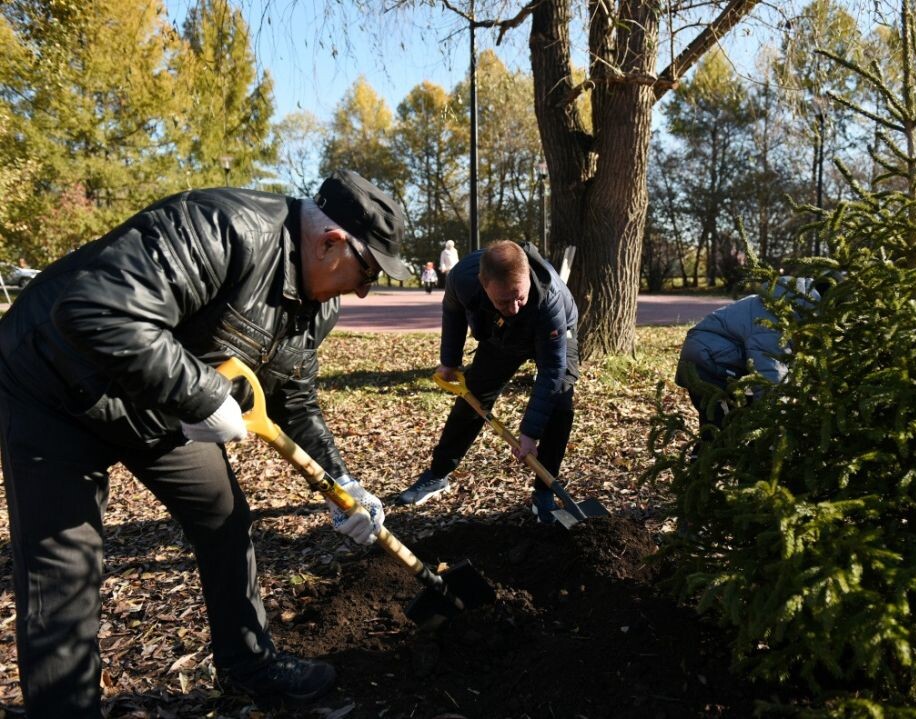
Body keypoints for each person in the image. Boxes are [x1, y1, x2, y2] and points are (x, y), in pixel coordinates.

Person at [0, 169, 412, 718]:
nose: (364, 290)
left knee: (224, 519)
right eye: (368, 272)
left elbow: (294, 398)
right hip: (51, 384)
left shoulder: (320, 304)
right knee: (62, 566)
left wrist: (343, 483)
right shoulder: (223, 226)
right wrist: (204, 396)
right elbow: (95, 310)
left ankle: (250, 664)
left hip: (159, 399)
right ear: (330, 243)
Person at [397, 240, 579, 524]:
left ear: (527, 277)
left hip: (553, 332)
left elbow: (553, 370)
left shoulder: (549, 299)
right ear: (484, 285)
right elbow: (453, 311)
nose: (514, 307)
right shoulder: (462, 278)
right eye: (504, 300)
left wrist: (529, 433)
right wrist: (450, 360)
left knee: (560, 403)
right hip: (504, 335)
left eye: (519, 297)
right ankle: (438, 474)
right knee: (474, 396)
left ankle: (544, 491)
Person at [675, 275, 824, 431]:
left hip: (710, 357)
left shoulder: (780, 301)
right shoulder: (772, 321)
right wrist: (776, 422)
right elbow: (770, 374)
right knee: (723, 429)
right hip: (708, 363)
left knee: (728, 422)